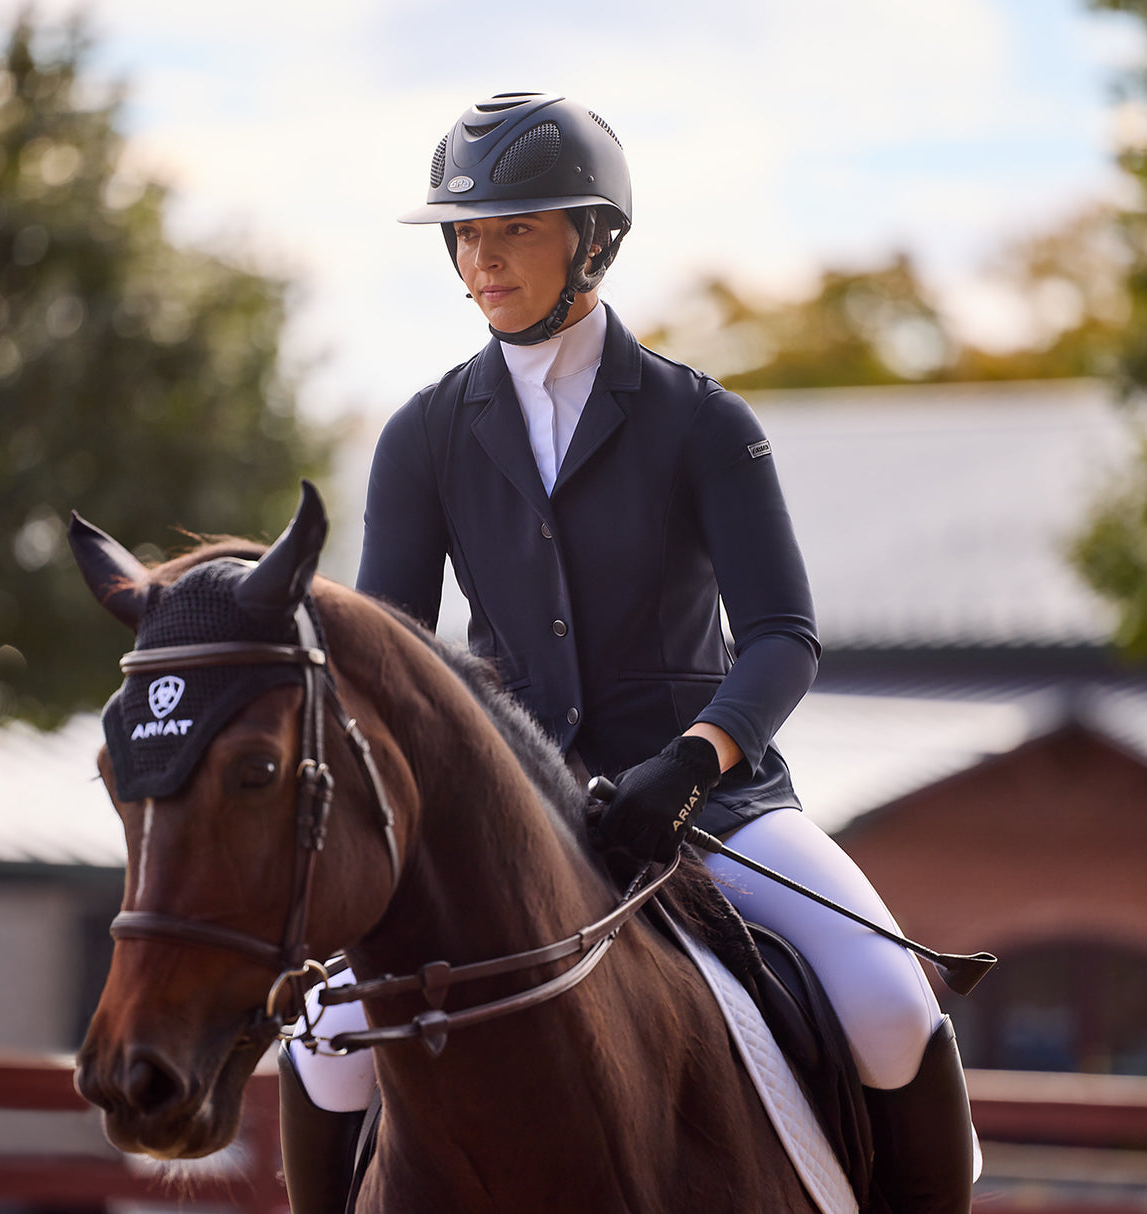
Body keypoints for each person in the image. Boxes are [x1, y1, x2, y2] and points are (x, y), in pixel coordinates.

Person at [280, 92, 977, 1214]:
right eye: (465, 233)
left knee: (890, 998)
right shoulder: (421, 435)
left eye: (513, 228)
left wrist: (689, 764)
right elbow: (390, 660)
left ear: (592, 238)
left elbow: (782, 638)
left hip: (710, 801)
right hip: (507, 813)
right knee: (322, 1037)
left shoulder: (702, 423)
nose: (481, 258)